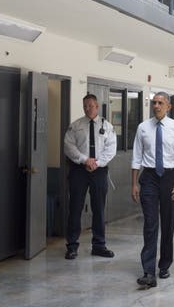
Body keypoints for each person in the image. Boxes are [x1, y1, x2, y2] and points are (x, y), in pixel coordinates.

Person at [131, 92, 174, 288]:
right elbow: (137, 156)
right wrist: (134, 183)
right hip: (149, 178)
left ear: (168, 106)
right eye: (154, 102)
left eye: (160, 103)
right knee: (150, 224)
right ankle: (148, 271)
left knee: (168, 222)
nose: (156, 106)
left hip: (171, 178)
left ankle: (164, 265)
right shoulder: (143, 128)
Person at [64, 93, 117, 260]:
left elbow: (111, 148)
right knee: (75, 208)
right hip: (79, 170)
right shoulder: (76, 126)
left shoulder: (107, 126)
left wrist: (97, 162)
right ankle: (72, 246)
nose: (87, 108)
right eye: (85, 105)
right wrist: (84, 160)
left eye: (90, 105)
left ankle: (99, 245)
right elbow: (68, 147)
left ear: (97, 106)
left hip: (99, 171)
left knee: (99, 209)